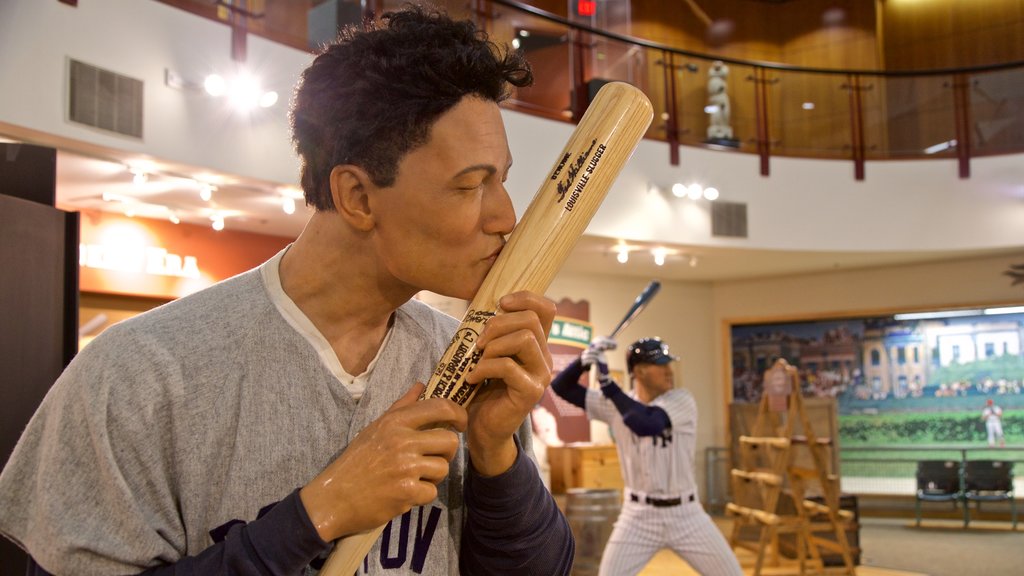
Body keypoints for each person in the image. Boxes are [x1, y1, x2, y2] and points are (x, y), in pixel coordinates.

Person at [0, 6, 573, 575]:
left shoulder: (470, 360)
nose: (506, 216)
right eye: (472, 184)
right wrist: (314, 514)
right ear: (358, 196)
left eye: (501, 179)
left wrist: (497, 453)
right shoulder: (139, 375)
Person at [551, 336, 742, 576]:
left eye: (668, 364)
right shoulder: (615, 405)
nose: (668, 371)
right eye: (660, 365)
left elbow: (646, 423)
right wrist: (582, 360)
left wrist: (608, 385)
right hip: (638, 517)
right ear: (639, 372)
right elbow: (561, 387)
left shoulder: (681, 400)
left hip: (687, 514)